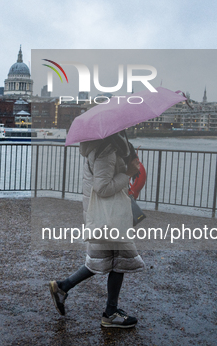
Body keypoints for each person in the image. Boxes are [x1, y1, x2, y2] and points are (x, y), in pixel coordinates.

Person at [49, 130, 146, 328]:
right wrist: (127, 172)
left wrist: (127, 164)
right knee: (121, 260)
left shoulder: (104, 148)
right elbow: (102, 187)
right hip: (109, 216)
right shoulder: (106, 151)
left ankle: (63, 287)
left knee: (104, 258)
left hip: (104, 215)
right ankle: (110, 313)